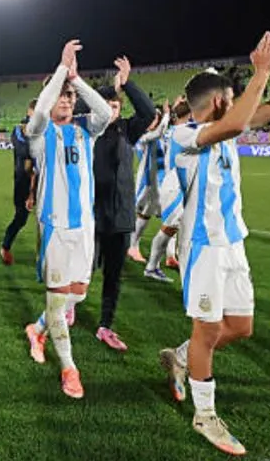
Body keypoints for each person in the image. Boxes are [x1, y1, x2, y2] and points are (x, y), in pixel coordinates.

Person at [158, 26, 270, 456]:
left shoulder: (229, 125)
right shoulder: (183, 136)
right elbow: (236, 121)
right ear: (219, 102)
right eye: (233, 98)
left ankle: (180, 357)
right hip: (203, 247)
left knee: (240, 326)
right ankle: (205, 415)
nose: (239, 104)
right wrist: (260, 72)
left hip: (232, 242)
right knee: (208, 329)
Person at [22, 39, 112, 399]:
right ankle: (69, 368)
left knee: (78, 295)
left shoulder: (84, 130)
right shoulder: (40, 133)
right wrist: (60, 71)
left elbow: (105, 112)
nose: (66, 100)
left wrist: (76, 80)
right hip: (55, 227)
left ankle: (37, 328)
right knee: (59, 301)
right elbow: (41, 111)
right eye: (61, 95)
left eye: (70, 96)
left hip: (84, 227)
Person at [90, 56, 157, 351]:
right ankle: (69, 308)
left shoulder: (127, 130)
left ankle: (105, 325)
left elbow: (149, 112)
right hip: (90, 215)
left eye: (115, 107)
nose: (110, 111)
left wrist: (127, 84)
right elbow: (80, 106)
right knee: (82, 270)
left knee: (113, 276)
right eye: (105, 106)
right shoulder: (86, 130)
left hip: (120, 217)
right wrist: (104, 92)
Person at [144, 97, 192, 277]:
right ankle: (152, 267)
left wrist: (174, 109)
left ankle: (169, 259)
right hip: (175, 184)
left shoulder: (171, 131)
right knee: (169, 229)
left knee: (176, 228)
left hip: (172, 183)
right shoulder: (184, 133)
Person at [128, 103, 173, 275]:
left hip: (164, 182)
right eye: (152, 118)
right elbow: (159, 132)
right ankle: (133, 246)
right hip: (148, 183)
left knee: (172, 216)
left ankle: (170, 254)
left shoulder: (163, 135)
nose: (154, 121)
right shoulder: (143, 137)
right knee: (144, 215)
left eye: (156, 118)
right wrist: (167, 115)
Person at [0, 98, 39, 265]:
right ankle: (5, 247)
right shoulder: (19, 130)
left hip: (43, 181)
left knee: (47, 219)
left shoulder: (47, 129)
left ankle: (44, 253)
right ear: (29, 112)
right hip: (23, 181)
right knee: (21, 218)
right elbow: (23, 150)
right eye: (35, 112)